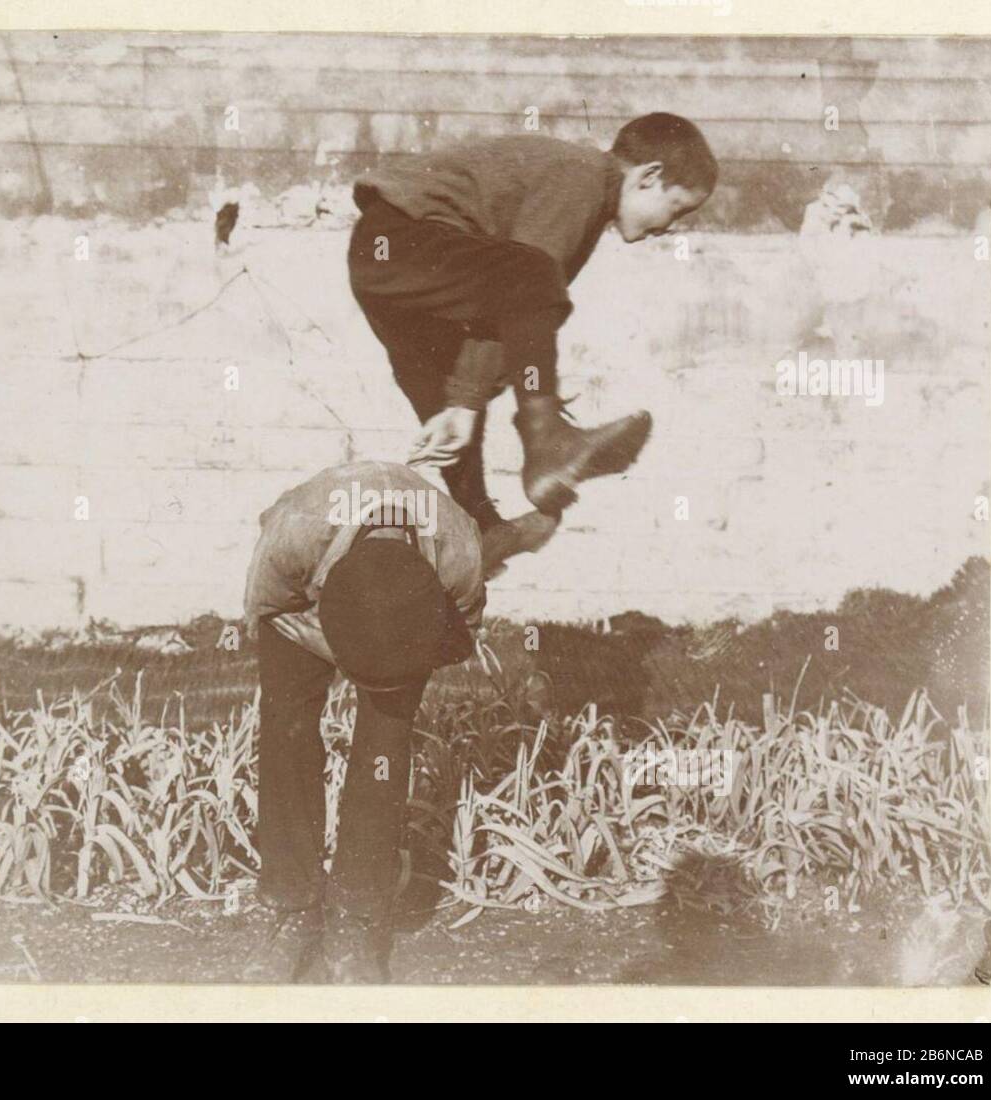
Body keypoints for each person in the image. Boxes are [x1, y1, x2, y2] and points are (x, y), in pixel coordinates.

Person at [347, 112, 718, 575]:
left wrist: (462, 403)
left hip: (385, 261)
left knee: (454, 386)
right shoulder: (583, 178)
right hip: (402, 240)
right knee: (535, 276)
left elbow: (507, 311)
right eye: (677, 208)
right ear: (649, 177)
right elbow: (525, 281)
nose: (670, 227)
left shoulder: (582, 191)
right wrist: (473, 401)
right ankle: (547, 441)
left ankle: (479, 528)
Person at [242, 460, 485, 982]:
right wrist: (339, 640)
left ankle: (358, 913)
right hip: (300, 616)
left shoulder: (459, 550)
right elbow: (265, 609)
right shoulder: (294, 533)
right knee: (286, 732)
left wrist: (390, 657)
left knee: (383, 750)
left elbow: (459, 636)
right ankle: (293, 906)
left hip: (404, 626)